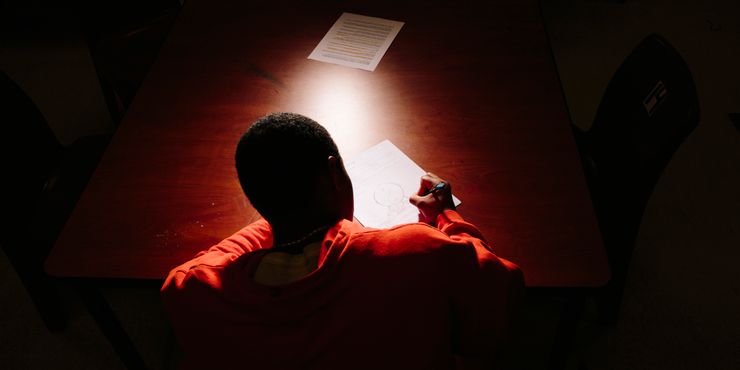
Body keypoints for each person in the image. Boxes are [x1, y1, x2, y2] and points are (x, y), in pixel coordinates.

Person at [161, 112, 524, 370]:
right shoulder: (419, 252)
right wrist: (446, 216)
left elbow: (225, 254)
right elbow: (499, 309)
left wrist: (282, 212)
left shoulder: (191, 289)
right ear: (335, 172)